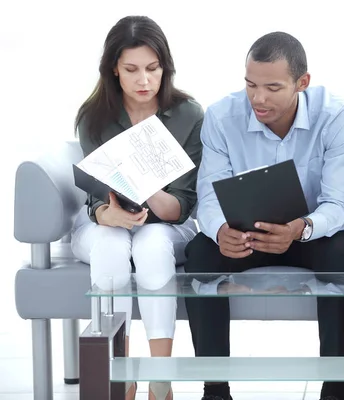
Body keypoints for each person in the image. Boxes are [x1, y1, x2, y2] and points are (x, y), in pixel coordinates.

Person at [184, 31, 344, 400]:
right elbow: (209, 191)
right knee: (200, 254)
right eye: (250, 85)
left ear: (302, 83)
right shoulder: (220, 116)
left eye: (272, 87)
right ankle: (215, 389)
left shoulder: (337, 116)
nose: (258, 98)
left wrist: (302, 228)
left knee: (342, 251)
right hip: (244, 236)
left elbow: (339, 203)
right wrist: (219, 232)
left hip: (307, 234)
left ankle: (335, 387)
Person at [71, 15, 204, 400]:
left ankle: (160, 382)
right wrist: (106, 214)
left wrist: (144, 193)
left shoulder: (188, 115)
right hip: (107, 224)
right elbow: (95, 195)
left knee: (149, 244)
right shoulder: (93, 117)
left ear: (166, 68)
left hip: (167, 223)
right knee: (112, 242)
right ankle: (121, 377)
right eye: (131, 70)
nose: (144, 81)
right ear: (114, 69)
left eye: (153, 68)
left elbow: (182, 204)